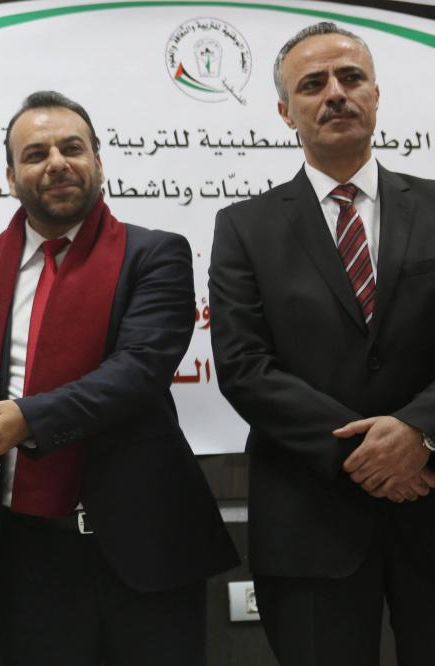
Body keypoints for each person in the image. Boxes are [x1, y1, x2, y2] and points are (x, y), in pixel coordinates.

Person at [0, 91, 238, 666]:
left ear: (99, 162)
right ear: (10, 178)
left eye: (72, 148)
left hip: (144, 542)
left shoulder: (154, 254)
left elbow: (138, 372)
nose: (56, 163)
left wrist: (27, 418)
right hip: (24, 551)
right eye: (35, 154)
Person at [209, 22, 435, 666]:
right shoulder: (244, 227)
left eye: (350, 77)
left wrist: (419, 431)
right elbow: (244, 367)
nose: (335, 93)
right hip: (309, 518)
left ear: (376, 95)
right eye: (313, 84)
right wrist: (368, 454)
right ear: (286, 112)